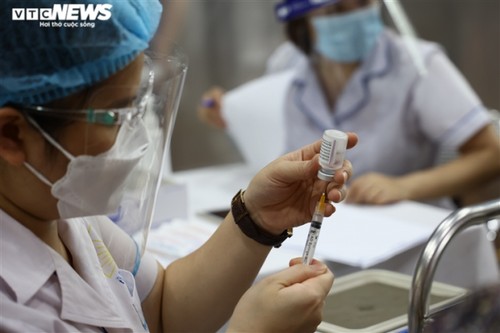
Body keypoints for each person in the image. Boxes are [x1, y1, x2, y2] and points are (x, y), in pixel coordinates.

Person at [0, 1, 358, 332]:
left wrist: (256, 218)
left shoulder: (61, 214)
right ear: (12, 135)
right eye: (114, 115)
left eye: (136, 108)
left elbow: (161, 309)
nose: (136, 136)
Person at [198, 0, 500, 208]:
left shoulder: (418, 64)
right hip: (321, 227)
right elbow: (270, 135)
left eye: (363, 4)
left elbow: (490, 155)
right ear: (303, 18)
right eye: (337, 9)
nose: (354, 16)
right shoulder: (287, 64)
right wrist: (230, 114)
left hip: (410, 237)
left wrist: (404, 187)